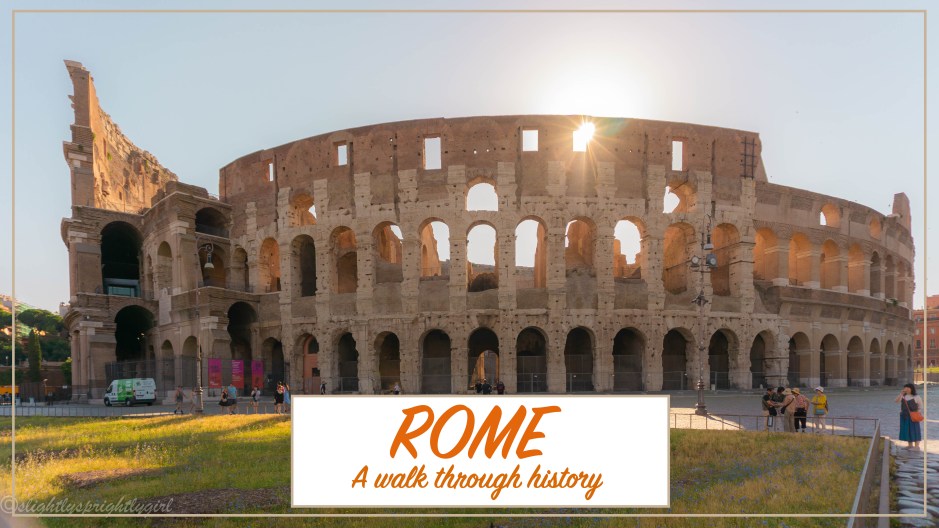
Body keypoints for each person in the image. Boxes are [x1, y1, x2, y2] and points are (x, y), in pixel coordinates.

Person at [895, 383, 923, 449]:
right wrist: (901, 394)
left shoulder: (916, 397)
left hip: (913, 416)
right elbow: (896, 401)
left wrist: (917, 414)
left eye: (908, 388)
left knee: (915, 430)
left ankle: (917, 446)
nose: (906, 389)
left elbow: (920, 406)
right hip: (904, 416)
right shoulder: (903, 396)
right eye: (905, 388)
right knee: (907, 430)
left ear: (911, 389)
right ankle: (910, 445)